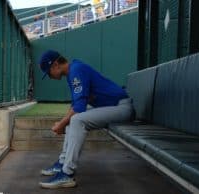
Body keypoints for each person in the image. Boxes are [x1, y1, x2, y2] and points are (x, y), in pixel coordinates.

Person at [38, 50, 135, 189]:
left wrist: (60, 124)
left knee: (77, 119)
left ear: (55, 65)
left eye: (48, 72)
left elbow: (79, 107)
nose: (49, 76)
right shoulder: (73, 70)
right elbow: (76, 104)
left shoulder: (76, 70)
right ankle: (62, 163)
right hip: (113, 107)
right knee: (73, 118)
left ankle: (67, 174)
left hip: (122, 108)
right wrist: (62, 122)